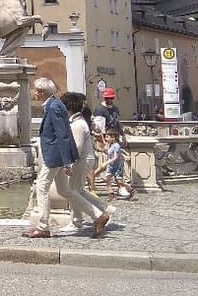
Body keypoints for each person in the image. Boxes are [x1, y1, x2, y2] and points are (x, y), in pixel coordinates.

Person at [22, 78, 110, 239]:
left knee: (41, 187)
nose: (34, 93)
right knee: (65, 190)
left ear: (42, 92)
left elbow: (62, 135)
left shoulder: (54, 107)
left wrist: (66, 161)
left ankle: (43, 227)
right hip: (58, 156)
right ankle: (98, 215)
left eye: (36, 90)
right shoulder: (54, 105)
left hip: (54, 156)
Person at [61, 92, 114, 234]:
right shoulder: (78, 122)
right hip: (84, 160)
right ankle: (103, 209)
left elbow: (76, 148)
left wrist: (68, 164)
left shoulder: (78, 124)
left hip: (80, 161)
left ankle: (79, 221)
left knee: (72, 191)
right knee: (78, 191)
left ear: (68, 107)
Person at [102, 130, 135, 200]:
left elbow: (116, 157)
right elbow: (108, 153)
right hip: (111, 165)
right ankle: (110, 193)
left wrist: (106, 162)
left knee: (119, 181)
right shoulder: (110, 145)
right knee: (107, 178)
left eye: (107, 137)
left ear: (113, 137)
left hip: (117, 165)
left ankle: (131, 189)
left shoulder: (116, 146)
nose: (106, 139)